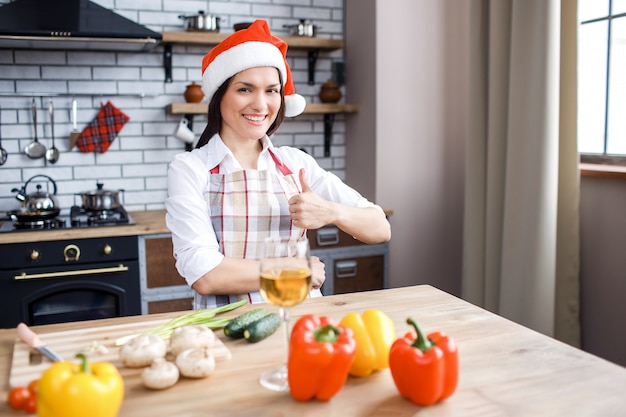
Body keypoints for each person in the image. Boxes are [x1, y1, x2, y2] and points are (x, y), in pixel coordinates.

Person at [165, 19, 391, 309]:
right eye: (245, 89)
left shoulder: (294, 163)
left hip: (301, 318)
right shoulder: (190, 169)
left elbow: (379, 228)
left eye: (271, 90)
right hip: (228, 326)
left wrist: (330, 211)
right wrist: (295, 270)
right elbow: (205, 273)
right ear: (220, 95)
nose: (261, 104)